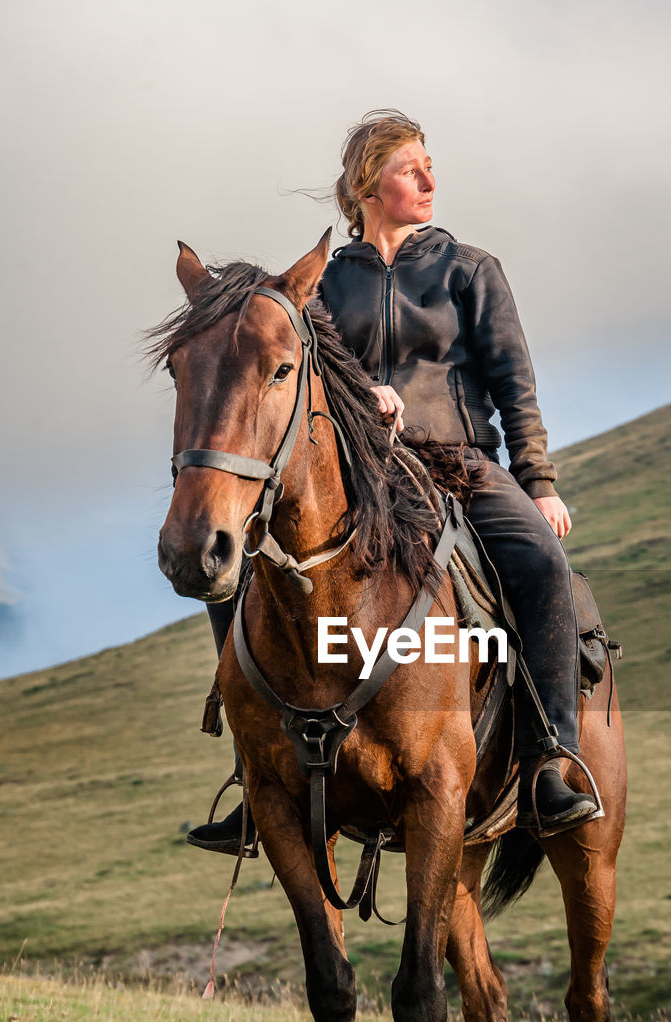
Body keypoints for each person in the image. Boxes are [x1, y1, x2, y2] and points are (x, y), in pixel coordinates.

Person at [187, 109, 596, 853]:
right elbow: (303, 376)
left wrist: (536, 481)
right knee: (239, 568)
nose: (429, 180)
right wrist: (360, 397)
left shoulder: (469, 269)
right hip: (356, 467)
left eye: (429, 166)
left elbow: (514, 384)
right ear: (365, 184)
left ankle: (548, 760)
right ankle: (255, 773)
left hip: (460, 462)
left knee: (542, 563)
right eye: (412, 168)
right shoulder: (316, 288)